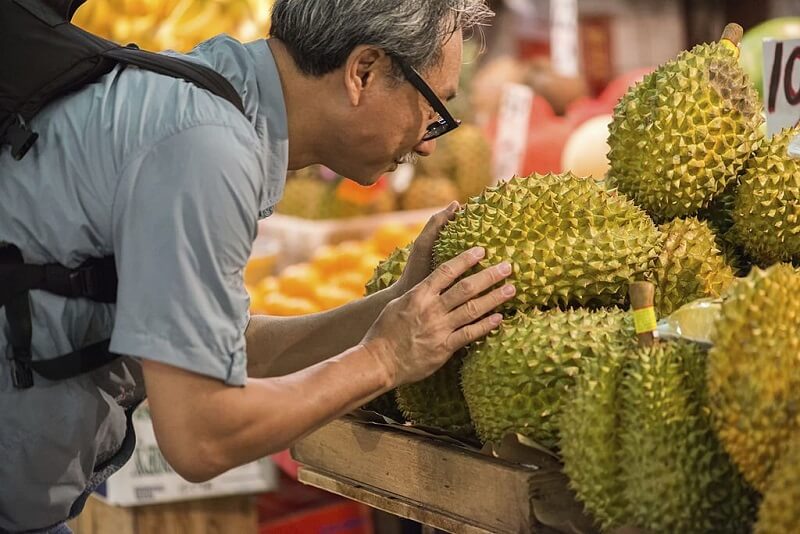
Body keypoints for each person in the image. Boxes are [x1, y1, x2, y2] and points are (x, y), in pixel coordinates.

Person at [0, 1, 514, 532]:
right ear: (364, 71)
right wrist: (384, 360)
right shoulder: (207, 146)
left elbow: (221, 349)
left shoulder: (213, 92)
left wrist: (393, 308)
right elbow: (202, 434)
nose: (429, 145)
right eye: (435, 110)